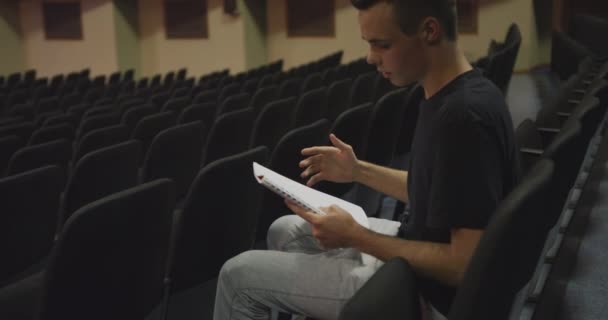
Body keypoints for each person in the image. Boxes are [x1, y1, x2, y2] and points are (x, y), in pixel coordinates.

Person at [213, 0, 519, 319]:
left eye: (381, 44)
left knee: (237, 276)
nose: (371, 57)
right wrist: (358, 171)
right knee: (285, 230)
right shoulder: (457, 91)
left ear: (429, 31)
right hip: (413, 251)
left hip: (424, 295)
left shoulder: (463, 118)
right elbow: (433, 189)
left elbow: (463, 265)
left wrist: (358, 237)